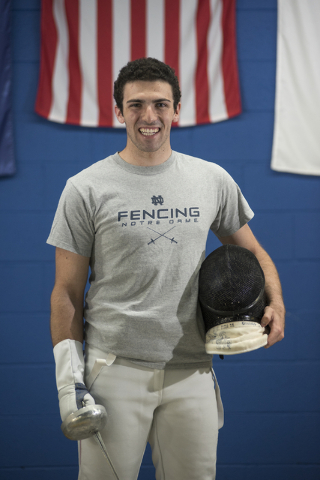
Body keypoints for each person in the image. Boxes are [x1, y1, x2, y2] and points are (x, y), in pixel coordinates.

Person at [48, 57, 285, 480]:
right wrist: (70, 382)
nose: (149, 116)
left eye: (160, 104)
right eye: (136, 105)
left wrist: (276, 302)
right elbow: (66, 291)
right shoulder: (85, 188)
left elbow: (253, 252)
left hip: (192, 369)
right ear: (119, 111)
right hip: (114, 369)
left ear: (178, 108)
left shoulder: (210, 179)